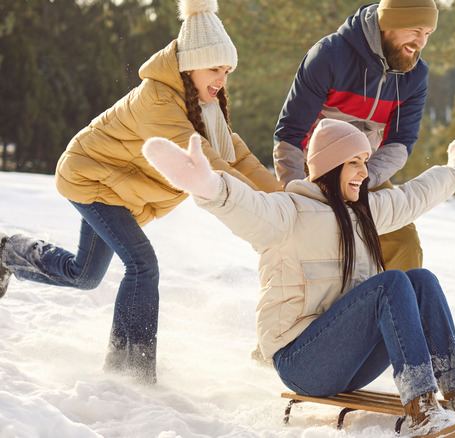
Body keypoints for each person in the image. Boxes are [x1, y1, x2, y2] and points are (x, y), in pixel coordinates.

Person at [142, 119, 455, 438]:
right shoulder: (287, 213)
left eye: (365, 161)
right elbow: (247, 207)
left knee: (420, 280)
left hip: (347, 360)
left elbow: (413, 196)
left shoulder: (362, 213)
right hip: (301, 361)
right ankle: (423, 410)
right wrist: (209, 188)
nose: (365, 171)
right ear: (330, 167)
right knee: (391, 283)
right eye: (355, 163)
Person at [0, 0, 282, 384]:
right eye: (215, 68)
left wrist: (282, 197)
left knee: (84, 275)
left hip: (117, 189)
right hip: (91, 179)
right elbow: (209, 163)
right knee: (142, 264)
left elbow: (239, 157)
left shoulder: (203, 106)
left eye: (227, 70)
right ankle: (129, 369)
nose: (222, 78)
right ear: (190, 64)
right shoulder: (158, 101)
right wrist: (258, 203)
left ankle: (7, 252)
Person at [273, 0, 439, 272]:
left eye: (428, 34)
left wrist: (363, 179)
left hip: (366, 169)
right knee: (318, 240)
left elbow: (400, 143)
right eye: (415, 30)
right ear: (390, 23)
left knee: (404, 240)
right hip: (316, 166)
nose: (421, 42)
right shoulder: (330, 55)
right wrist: (295, 192)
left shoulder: (415, 75)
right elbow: (291, 132)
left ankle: (401, 311)